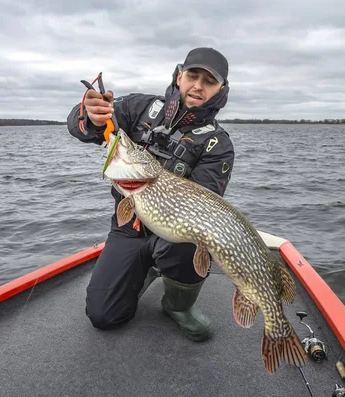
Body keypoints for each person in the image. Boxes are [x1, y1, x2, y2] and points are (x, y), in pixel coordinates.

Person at [66, 47, 234, 342]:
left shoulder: (217, 144)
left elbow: (204, 205)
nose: (198, 86)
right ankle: (143, 269)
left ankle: (176, 305)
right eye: (193, 76)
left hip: (173, 236)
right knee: (104, 316)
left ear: (221, 89)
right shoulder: (138, 107)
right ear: (180, 76)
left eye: (209, 82)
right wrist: (90, 117)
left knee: (191, 241)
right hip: (127, 229)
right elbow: (83, 128)